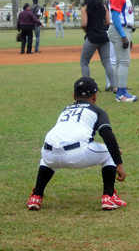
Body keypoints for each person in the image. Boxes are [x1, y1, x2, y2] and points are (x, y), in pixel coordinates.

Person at [26, 77, 127, 211]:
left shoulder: (65, 110)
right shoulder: (98, 111)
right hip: (77, 155)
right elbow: (108, 136)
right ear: (95, 96)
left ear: (74, 96)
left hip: (48, 155)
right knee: (110, 152)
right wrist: (119, 163)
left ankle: (36, 196)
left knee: (49, 153)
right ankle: (109, 197)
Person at [108, 0, 139, 102]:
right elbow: (115, 17)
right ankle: (121, 93)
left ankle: (120, 91)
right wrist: (123, 36)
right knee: (124, 61)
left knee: (120, 62)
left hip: (123, 29)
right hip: (119, 29)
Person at [80, 0, 117, 91]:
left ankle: (87, 87)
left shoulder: (85, 7)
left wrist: (85, 30)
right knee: (107, 62)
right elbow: (108, 22)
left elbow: (84, 23)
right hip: (104, 37)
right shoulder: (103, 6)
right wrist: (101, 25)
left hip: (92, 37)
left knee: (84, 62)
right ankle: (114, 86)